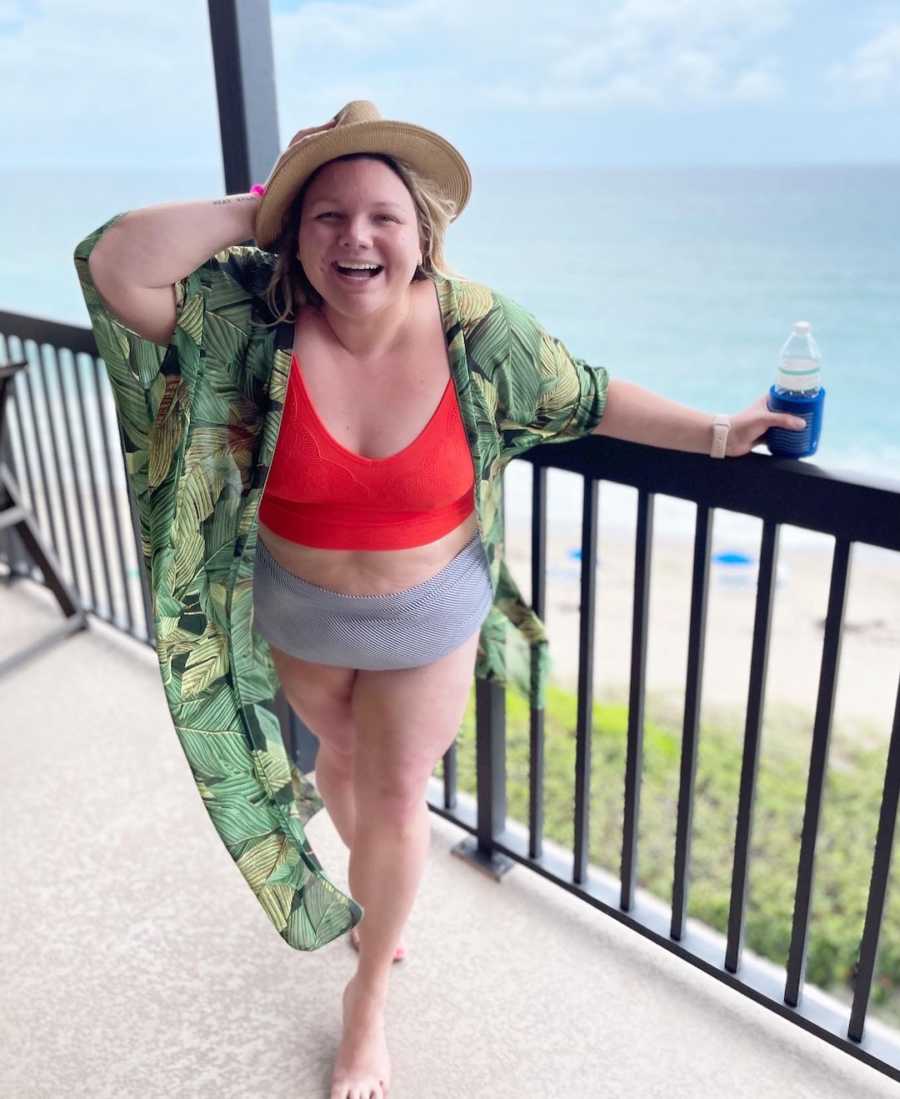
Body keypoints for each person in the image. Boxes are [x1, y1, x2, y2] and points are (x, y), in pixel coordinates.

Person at [73, 100, 806, 1099]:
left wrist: (719, 435)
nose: (356, 237)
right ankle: (381, 897)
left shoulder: (476, 329)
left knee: (391, 796)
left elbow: (586, 394)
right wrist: (259, 208)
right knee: (337, 762)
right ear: (293, 236)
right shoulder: (252, 322)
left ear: (423, 233)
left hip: (427, 615)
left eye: (381, 215)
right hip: (298, 604)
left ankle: (367, 1000)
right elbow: (118, 266)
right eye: (326, 217)